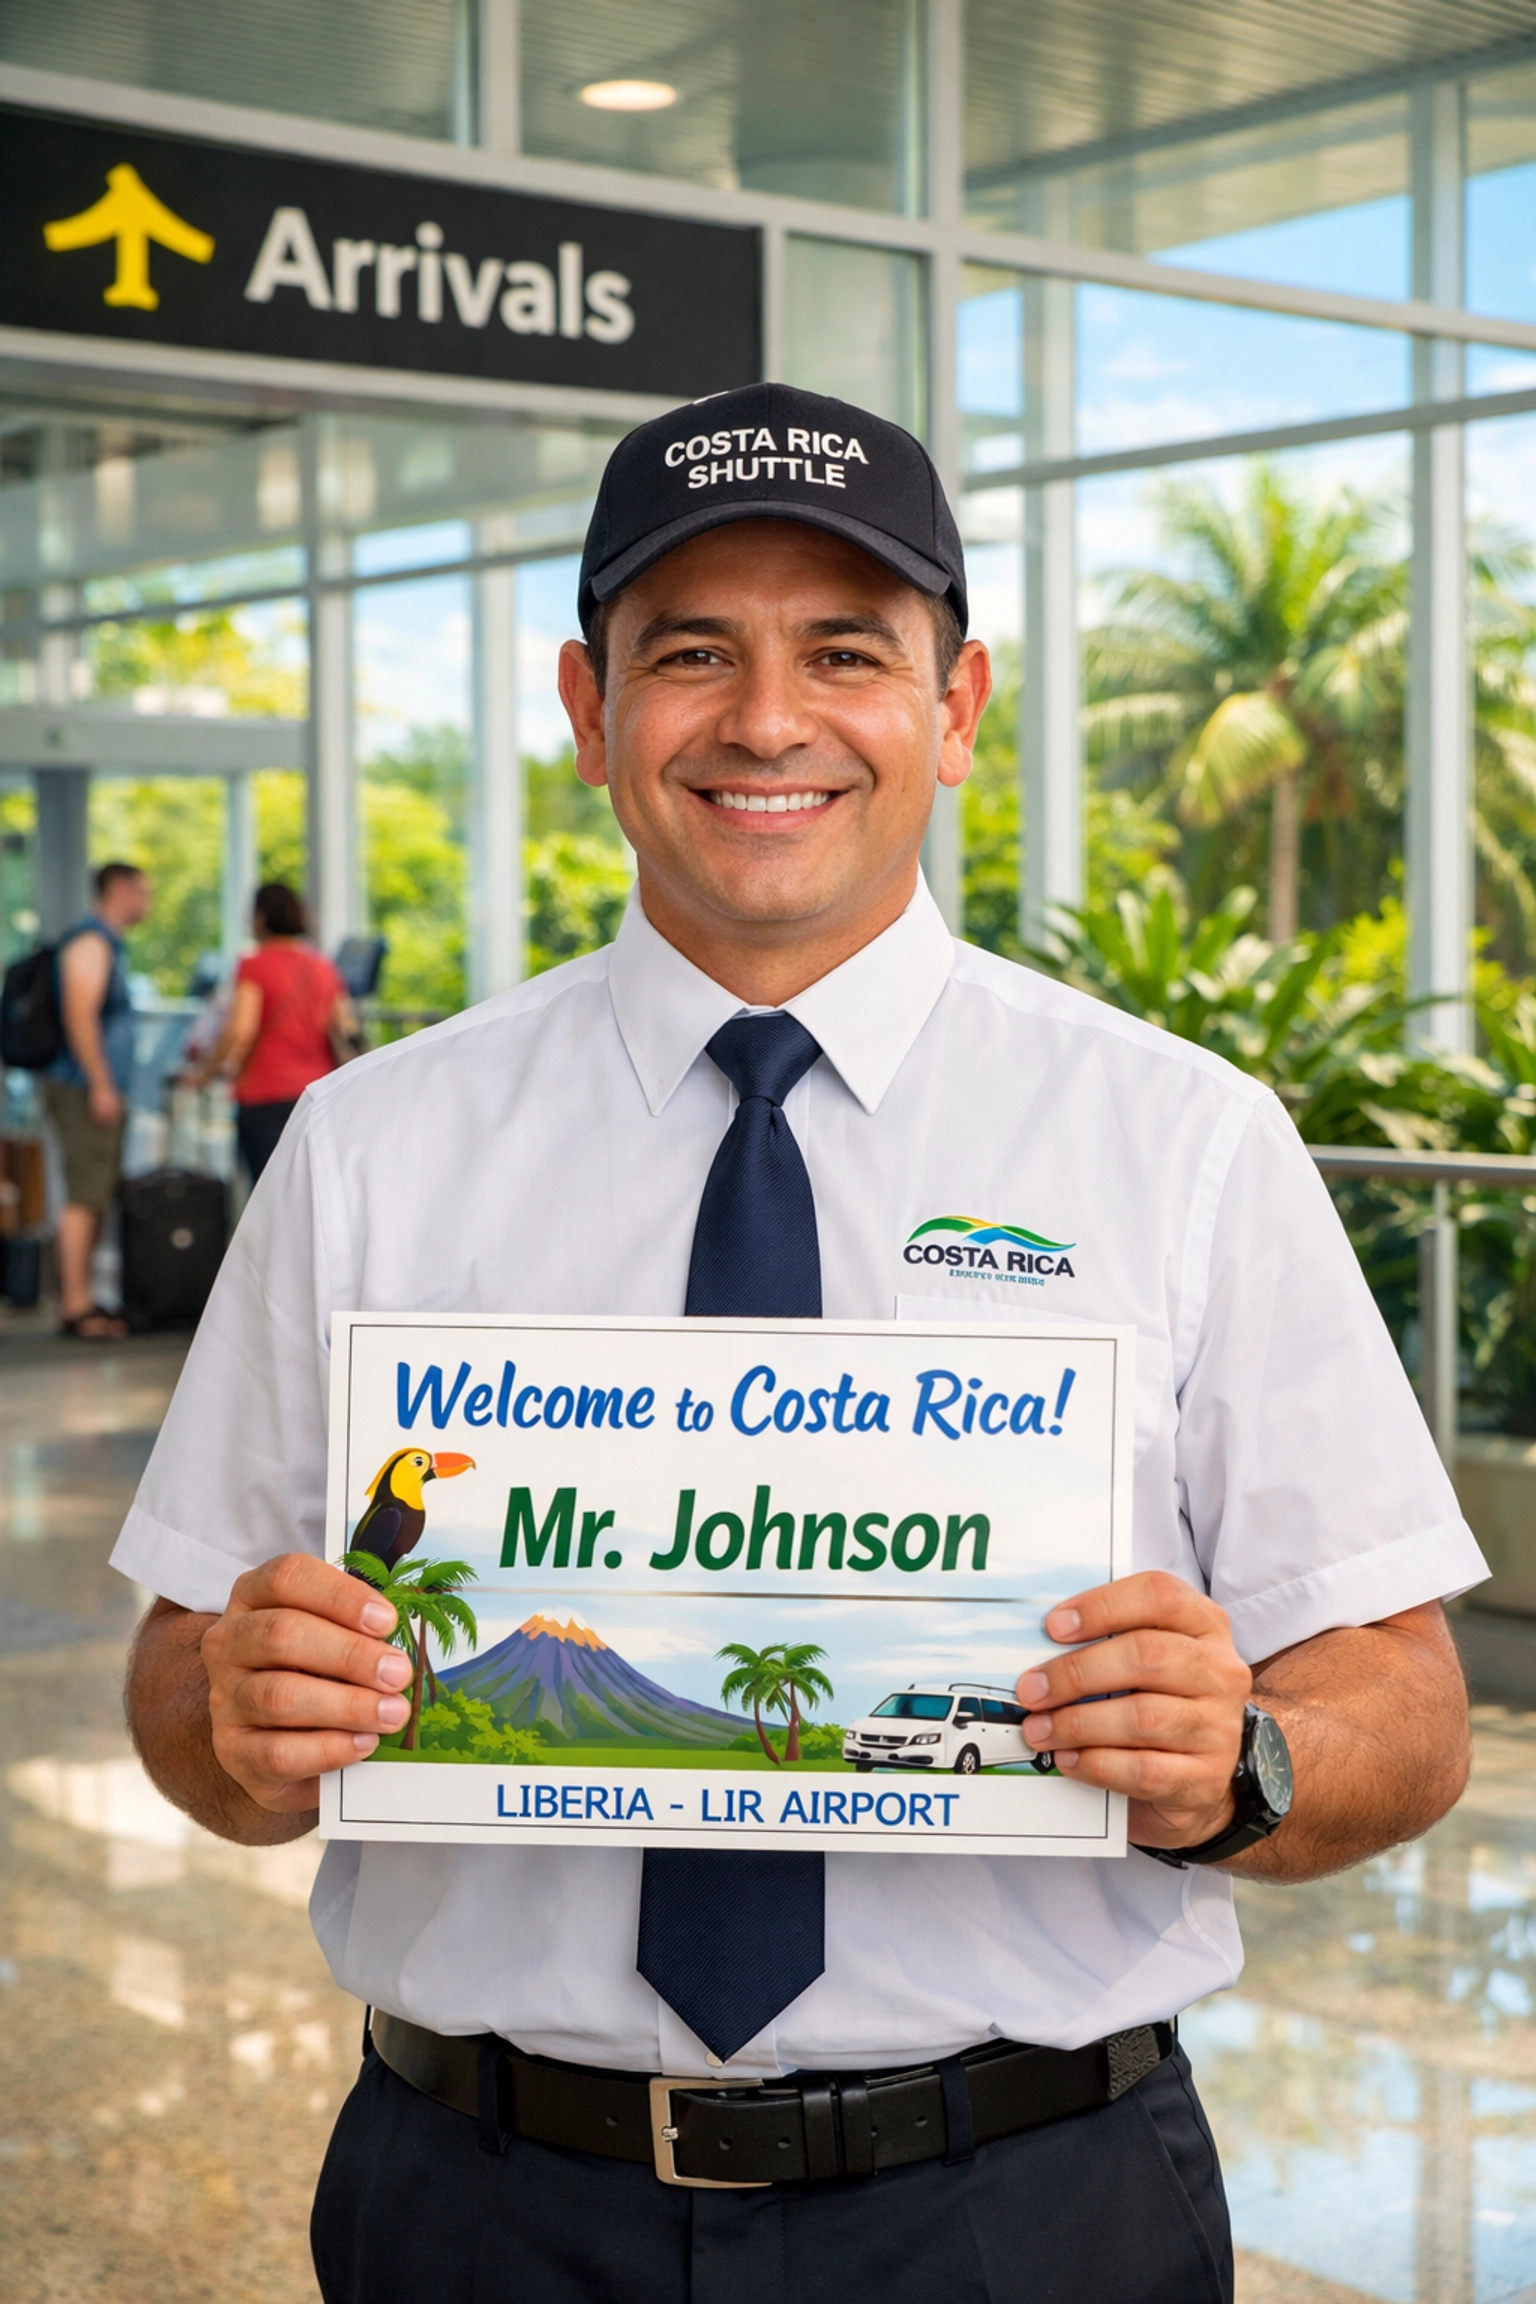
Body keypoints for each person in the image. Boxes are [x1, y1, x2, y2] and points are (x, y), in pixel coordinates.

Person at [115, 385, 1484, 2304]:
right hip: (482, 2203)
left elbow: (1406, 1704)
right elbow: (179, 1689)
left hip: (1025, 2206)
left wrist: (1240, 1754)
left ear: (956, 708)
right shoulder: (374, 1142)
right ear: (591, 713)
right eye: (692, 652)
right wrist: (243, 1717)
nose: (766, 719)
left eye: (845, 649)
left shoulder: (1180, 1137)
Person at [185, 882, 356, 1185]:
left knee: (268, 1195)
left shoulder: (254, 965)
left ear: (260, 917)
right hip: (315, 1096)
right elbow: (347, 1030)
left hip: (264, 1096)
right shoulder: (323, 967)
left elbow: (240, 1029)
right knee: (309, 1191)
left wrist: (206, 1073)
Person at [44, 859, 150, 1339]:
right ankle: (75, 1304)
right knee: (84, 1194)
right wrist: (102, 1084)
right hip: (83, 1088)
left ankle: (82, 1298)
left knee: (96, 1192)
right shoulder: (91, 943)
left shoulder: (106, 943)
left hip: (94, 1086)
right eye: (142, 892)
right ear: (118, 889)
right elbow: (79, 1015)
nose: (147, 903)